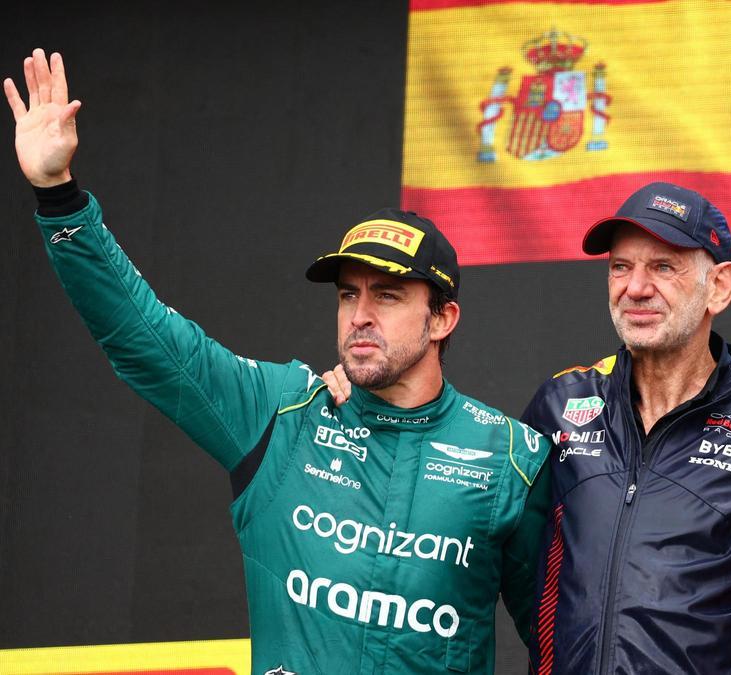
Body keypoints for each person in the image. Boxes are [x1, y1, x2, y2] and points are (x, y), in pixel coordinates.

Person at [5, 49, 549, 674]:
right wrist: (59, 197)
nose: (359, 315)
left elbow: (566, 642)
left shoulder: (511, 461)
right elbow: (144, 336)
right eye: (349, 294)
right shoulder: (280, 413)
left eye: (389, 295)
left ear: (442, 319)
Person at [519, 182, 731, 673]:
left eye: (662, 266)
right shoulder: (561, 404)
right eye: (620, 267)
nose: (635, 288)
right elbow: (498, 554)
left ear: (719, 286)